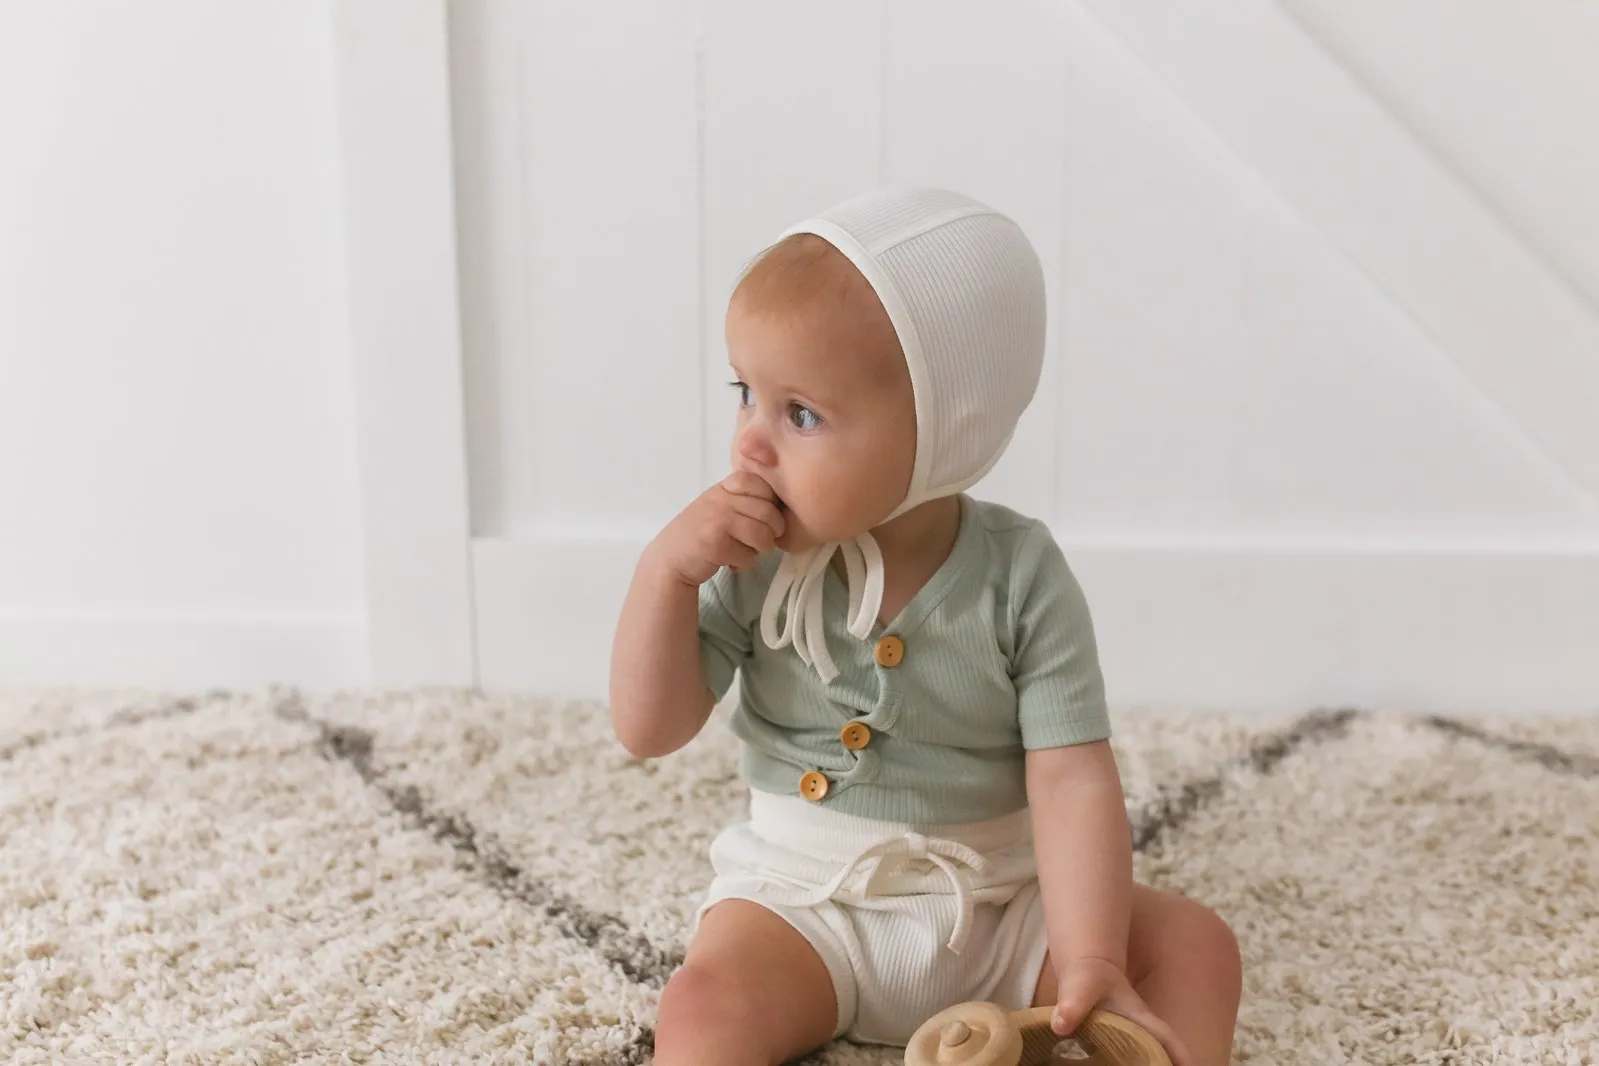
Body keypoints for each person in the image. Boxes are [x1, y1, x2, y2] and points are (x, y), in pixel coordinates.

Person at [609, 187, 1242, 1066]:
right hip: (803, 903)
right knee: (703, 1004)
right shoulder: (752, 561)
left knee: (1193, 946)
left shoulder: (1020, 574)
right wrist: (663, 576)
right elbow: (649, 727)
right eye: (744, 392)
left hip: (1001, 902)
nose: (750, 444)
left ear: (943, 432)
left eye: (799, 414)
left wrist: (1091, 957)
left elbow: (1069, 783)